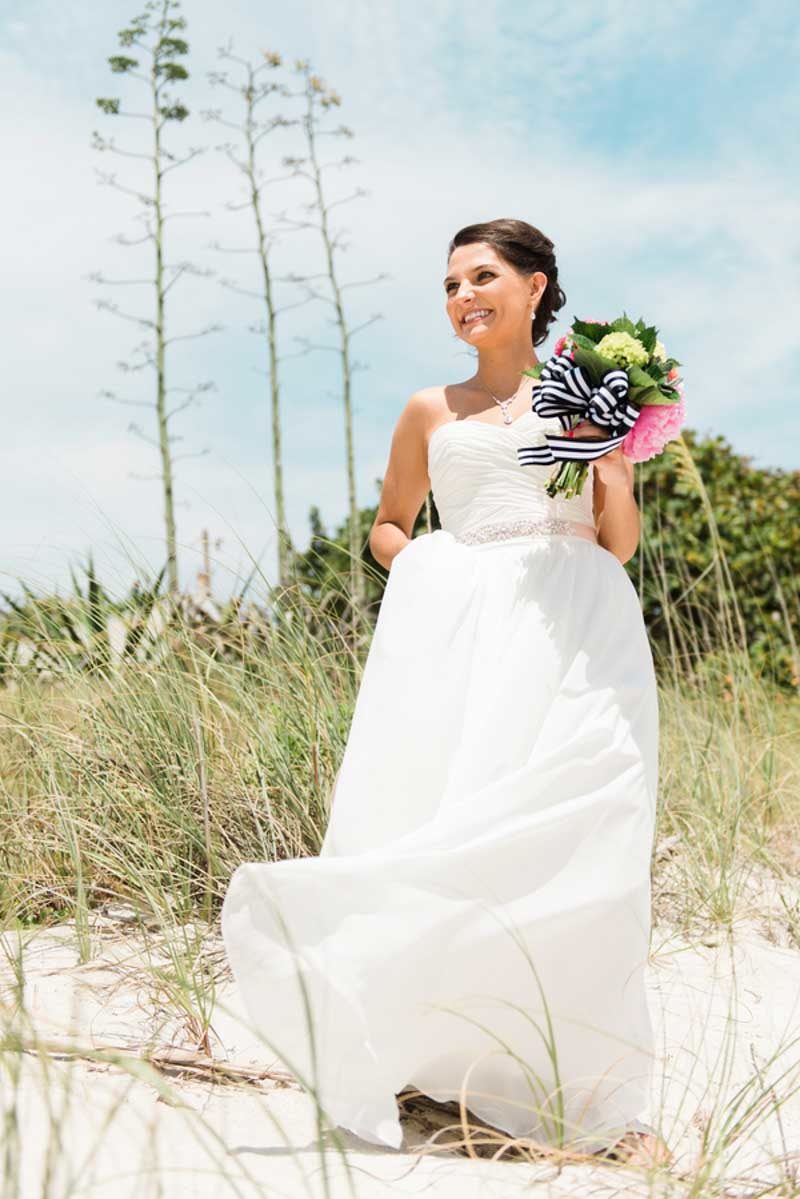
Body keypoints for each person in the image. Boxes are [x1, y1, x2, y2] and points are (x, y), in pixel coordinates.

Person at [221, 218, 672, 1168]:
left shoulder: (586, 396)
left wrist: (614, 459)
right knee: (456, 822)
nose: (464, 295)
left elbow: (618, 541)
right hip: (464, 637)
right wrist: (434, 563)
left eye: (484, 276)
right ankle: (429, 1050)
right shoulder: (430, 408)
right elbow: (389, 526)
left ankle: (593, 1094)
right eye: (451, 283)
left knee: (585, 837)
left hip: (577, 634)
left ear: (537, 286)